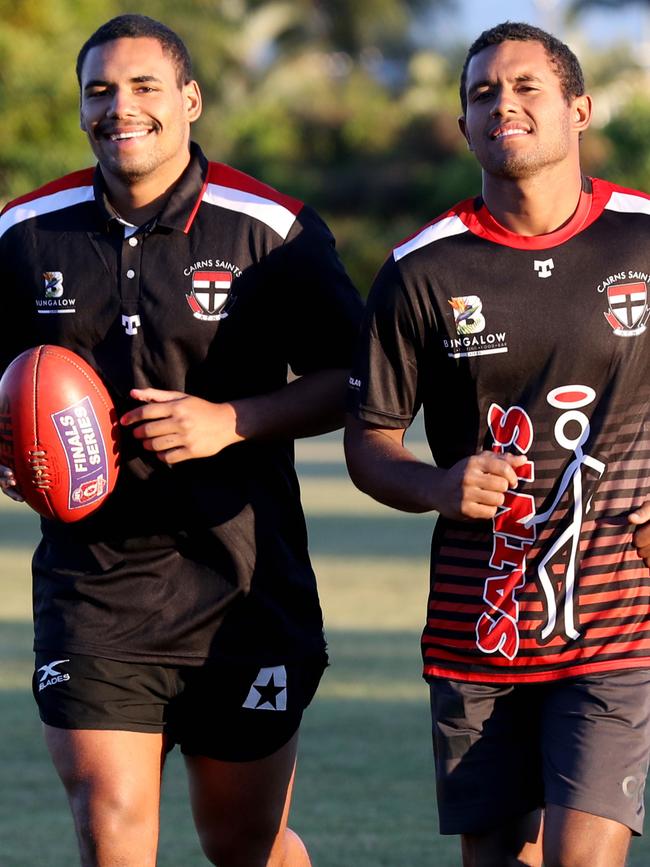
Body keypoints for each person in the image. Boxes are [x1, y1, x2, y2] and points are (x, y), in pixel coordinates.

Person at [0, 13, 362, 867]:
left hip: (243, 577)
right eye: (99, 90)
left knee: (243, 842)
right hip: (95, 586)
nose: (119, 107)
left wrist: (231, 419)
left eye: (143, 86)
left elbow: (359, 380)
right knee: (111, 824)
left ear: (190, 99)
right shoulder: (24, 233)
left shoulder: (272, 229)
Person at [345, 20, 650, 867]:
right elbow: (369, 441)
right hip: (481, 621)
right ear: (464, 125)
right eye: (483, 93)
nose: (503, 105)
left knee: (581, 858)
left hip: (618, 615)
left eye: (526, 88)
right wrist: (440, 485)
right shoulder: (422, 269)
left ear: (579, 108)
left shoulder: (643, 238)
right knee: (495, 859)